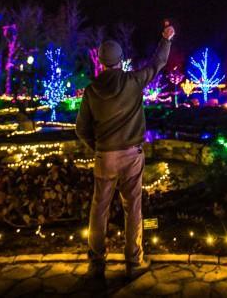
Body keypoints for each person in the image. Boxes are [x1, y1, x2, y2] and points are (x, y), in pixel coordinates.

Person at [76, 21, 175, 279]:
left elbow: (81, 129)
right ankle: (134, 261)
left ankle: (96, 262)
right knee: (133, 208)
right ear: (122, 60)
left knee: (99, 209)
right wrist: (166, 39)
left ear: (101, 62)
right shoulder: (132, 81)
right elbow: (157, 64)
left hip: (104, 158)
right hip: (132, 156)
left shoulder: (91, 90)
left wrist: (97, 147)